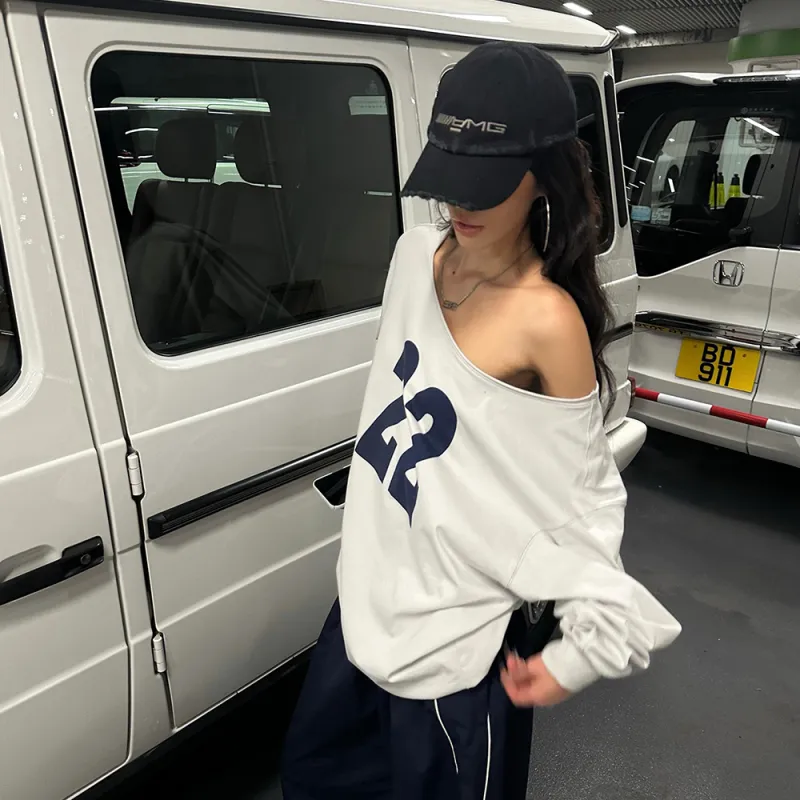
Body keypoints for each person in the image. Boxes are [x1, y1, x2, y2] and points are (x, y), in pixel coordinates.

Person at [281, 41, 681, 800]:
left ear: (545, 178)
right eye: (449, 175)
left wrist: (584, 646)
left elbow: (584, 497)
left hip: (456, 651)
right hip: (363, 609)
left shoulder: (546, 321)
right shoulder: (413, 256)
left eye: (485, 184)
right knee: (313, 782)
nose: (458, 205)